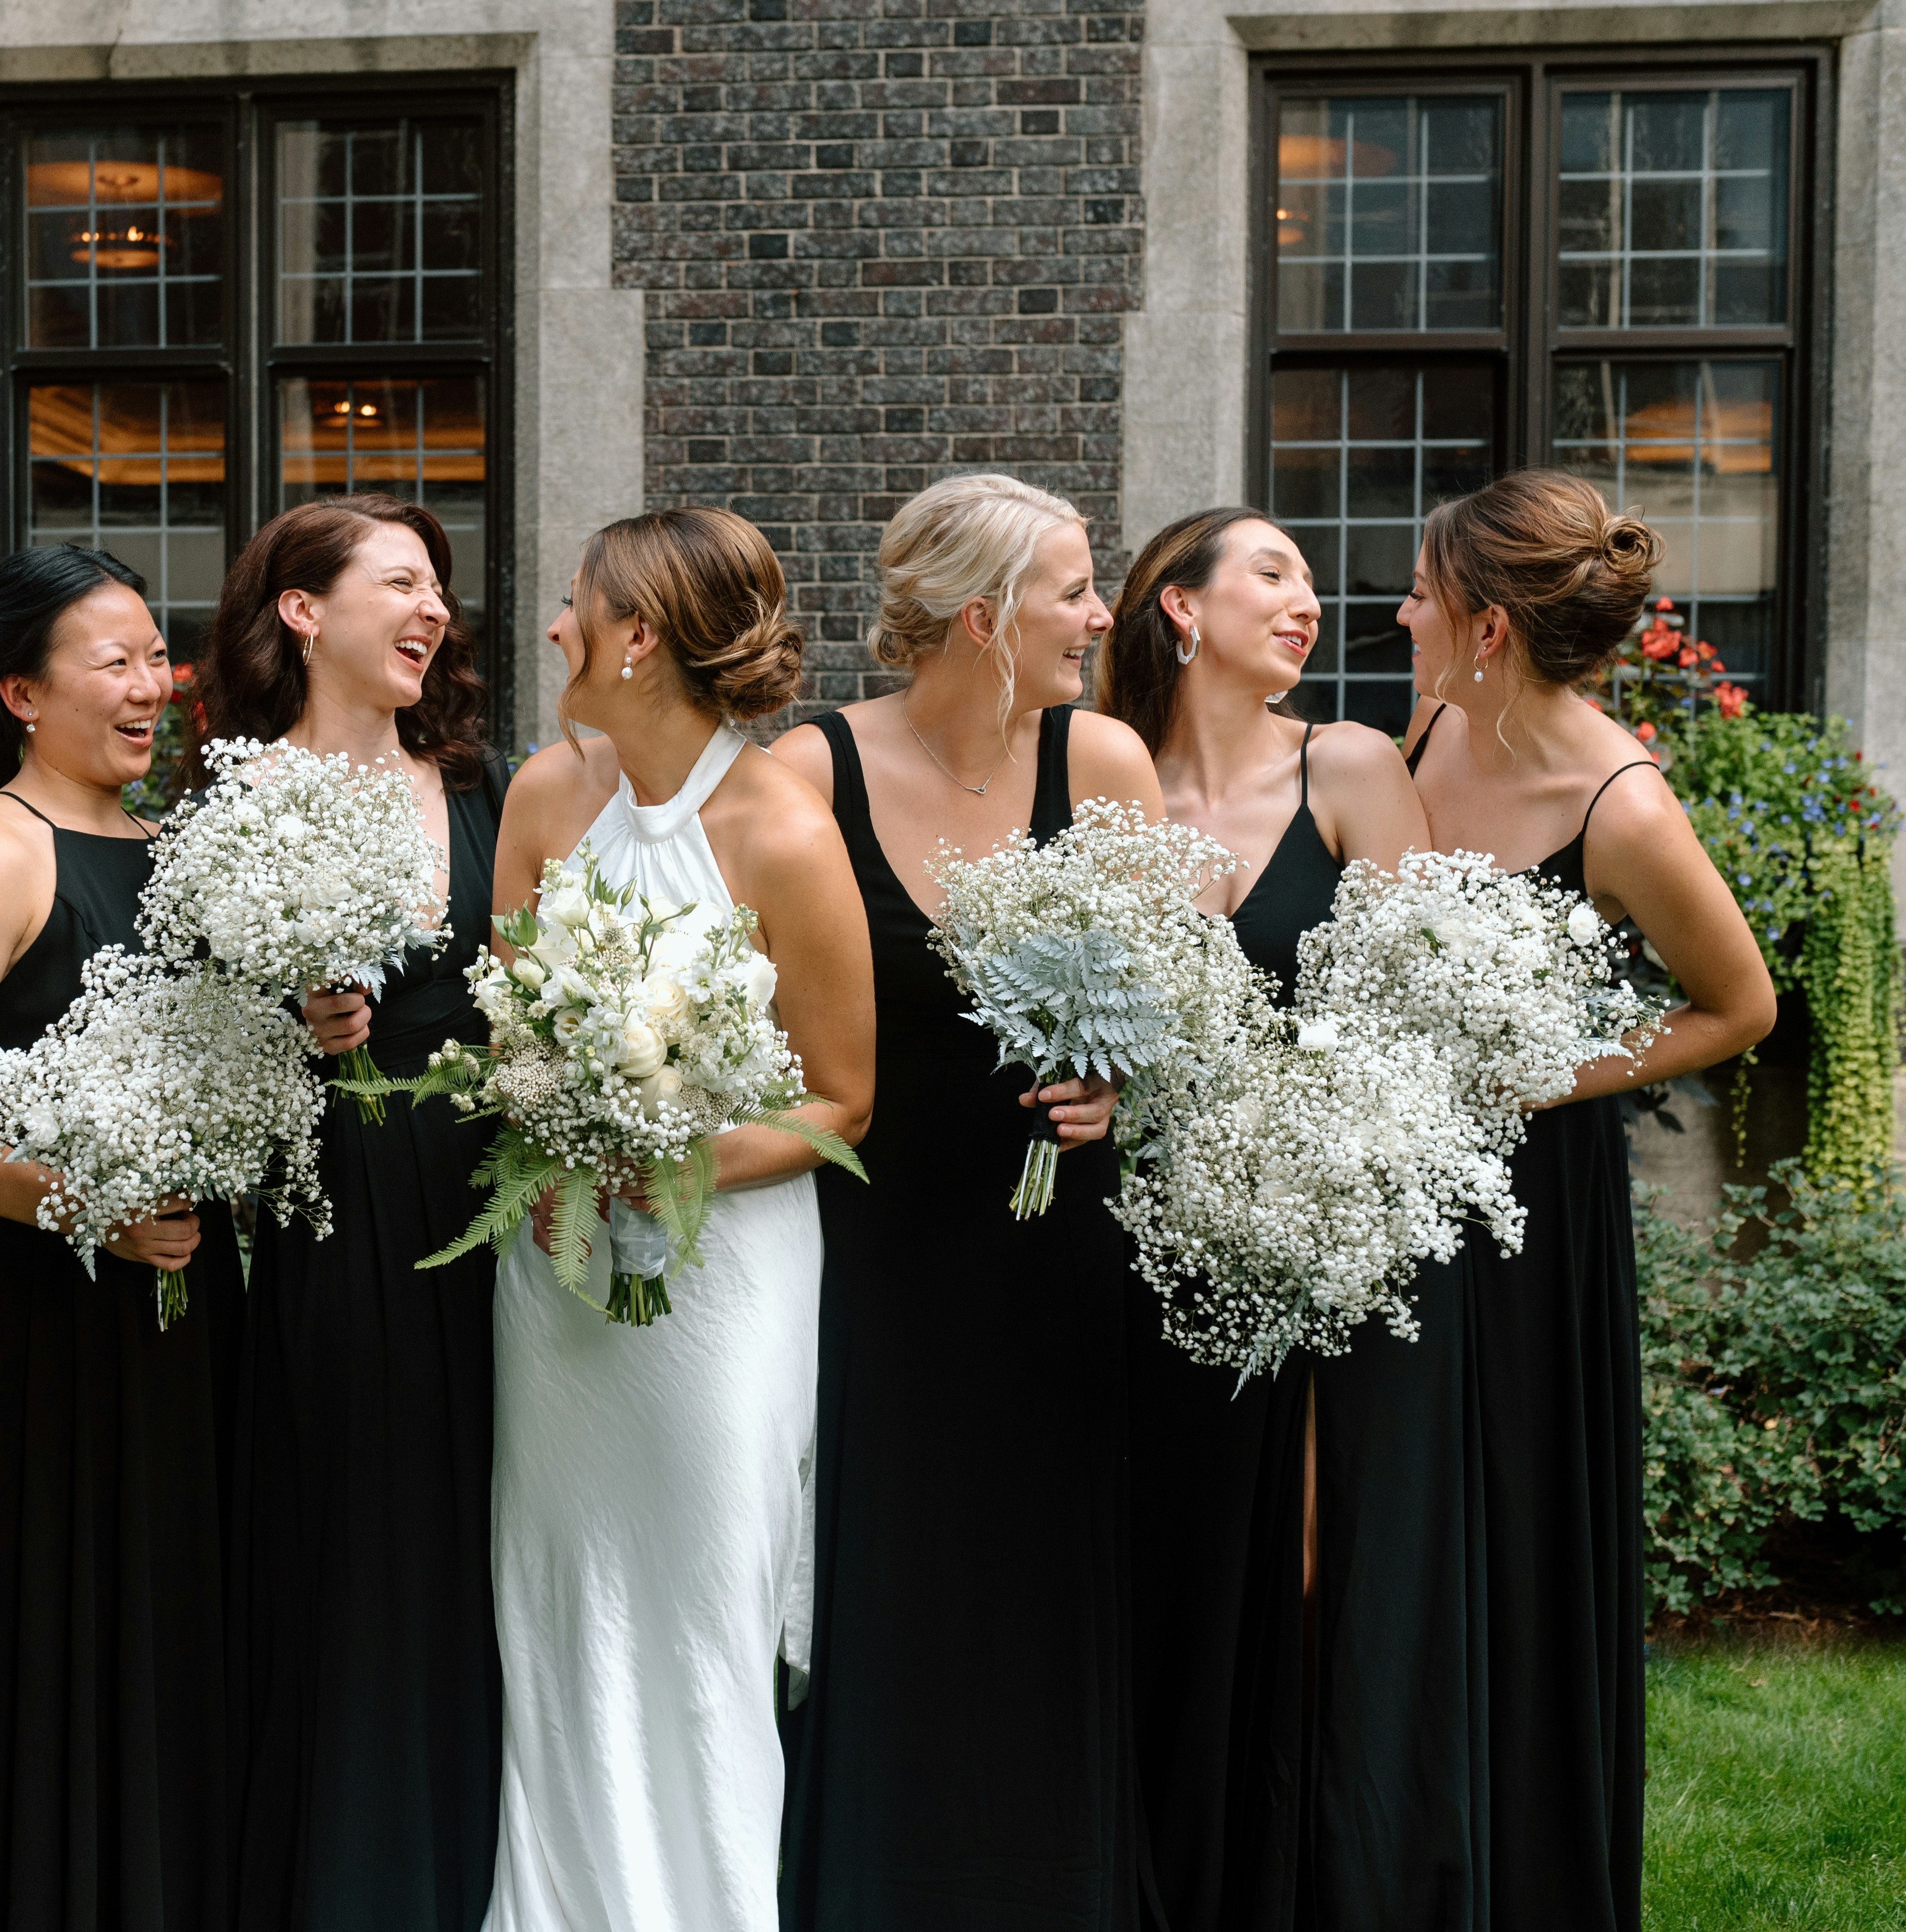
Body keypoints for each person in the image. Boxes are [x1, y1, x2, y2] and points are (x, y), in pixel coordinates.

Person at [768, 473, 1163, 1928]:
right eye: (1075, 590)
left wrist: (1125, 1091)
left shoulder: (1105, 764)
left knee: (1043, 1582)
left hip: (1060, 1258)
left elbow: (1175, 1003)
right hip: (870, 1258)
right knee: (886, 1574)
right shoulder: (810, 771)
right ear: (986, 618)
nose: (1101, 615)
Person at [483, 507, 875, 1932]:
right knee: (560, 1595)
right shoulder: (544, 796)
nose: (554, 627)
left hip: (721, 1280)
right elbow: (506, 1029)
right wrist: (557, 1126)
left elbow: (843, 1100)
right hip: (558, 1279)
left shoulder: (784, 831)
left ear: (637, 638)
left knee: (705, 1600)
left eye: (576, 605)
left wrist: (671, 1155)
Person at [1398, 469, 1775, 1932]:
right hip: (1377, 1160)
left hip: (1530, 1207)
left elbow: (1737, 1006)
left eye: (1424, 593)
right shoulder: (1428, 725)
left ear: (1488, 628)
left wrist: (1544, 1077)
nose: (1403, 613)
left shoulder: (1622, 806)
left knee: (1516, 1526)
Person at [0, 542, 241, 1930]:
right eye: (116, 662)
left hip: (189, 1310)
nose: (154, 684)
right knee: (54, 1635)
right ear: (23, 694)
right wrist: (71, 1200)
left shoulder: (174, 848)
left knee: (169, 1624)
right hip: (40, 1326)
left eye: (157, 656)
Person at [1098, 509, 1449, 1931]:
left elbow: (1425, 1016)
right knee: (1149, 1571)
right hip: (1128, 1246)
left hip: (1311, 1241)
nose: (1308, 600)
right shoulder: (1098, 777)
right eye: (1273, 574)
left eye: (1310, 581)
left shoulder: (1350, 767)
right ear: (1181, 608)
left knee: (1298, 1584)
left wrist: (1313, 1147)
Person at [197, 496, 509, 1932]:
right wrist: (286, 1026)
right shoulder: (233, 804)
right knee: (355, 1539)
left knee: (487, 1534)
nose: (435, 605)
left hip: (492, 1208)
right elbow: (185, 1028)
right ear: (305, 611)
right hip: (326, 1217)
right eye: (402, 580)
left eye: (440, 586)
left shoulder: (486, 788)